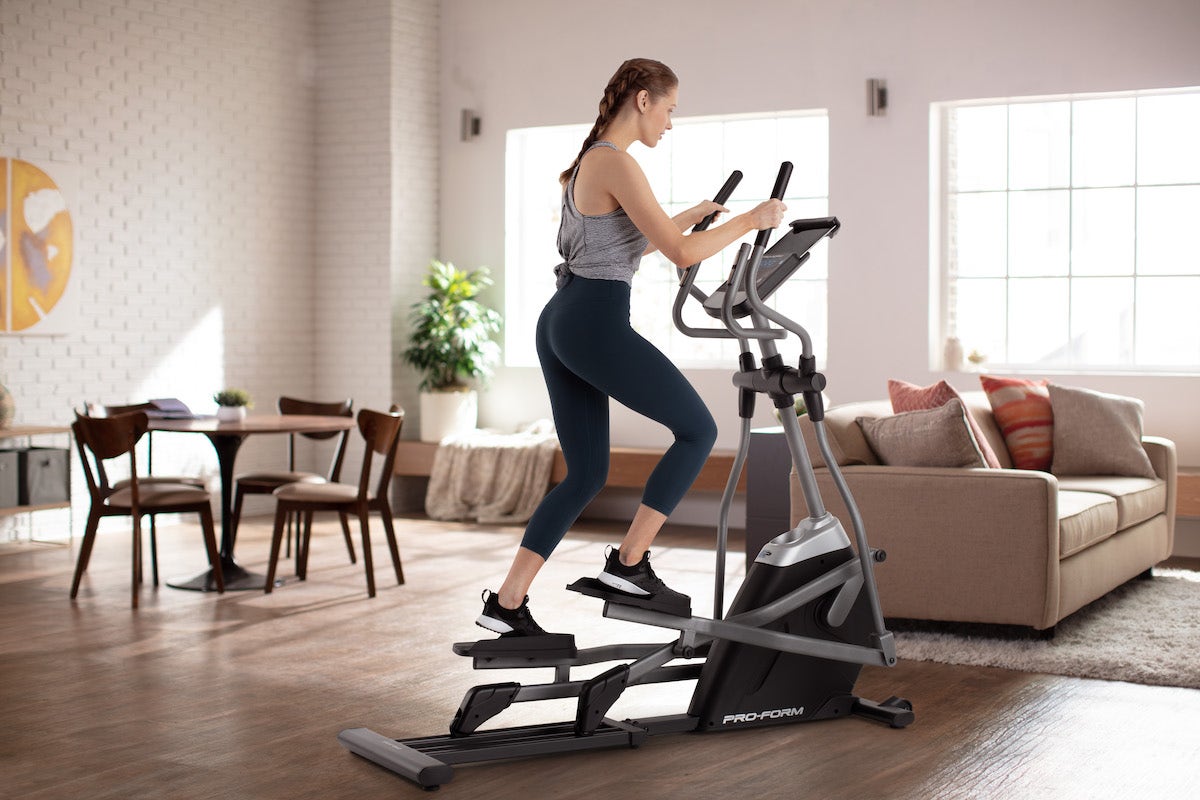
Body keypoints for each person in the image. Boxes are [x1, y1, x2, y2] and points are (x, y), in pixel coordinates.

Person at [478, 58, 786, 637]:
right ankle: (630, 563)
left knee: (587, 472)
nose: (670, 123)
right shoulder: (616, 162)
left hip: (562, 320)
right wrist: (752, 219)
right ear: (643, 100)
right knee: (698, 430)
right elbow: (682, 255)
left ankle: (508, 601)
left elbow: (617, 251)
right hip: (592, 321)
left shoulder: (589, 162)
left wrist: (691, 215)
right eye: (669, 109)